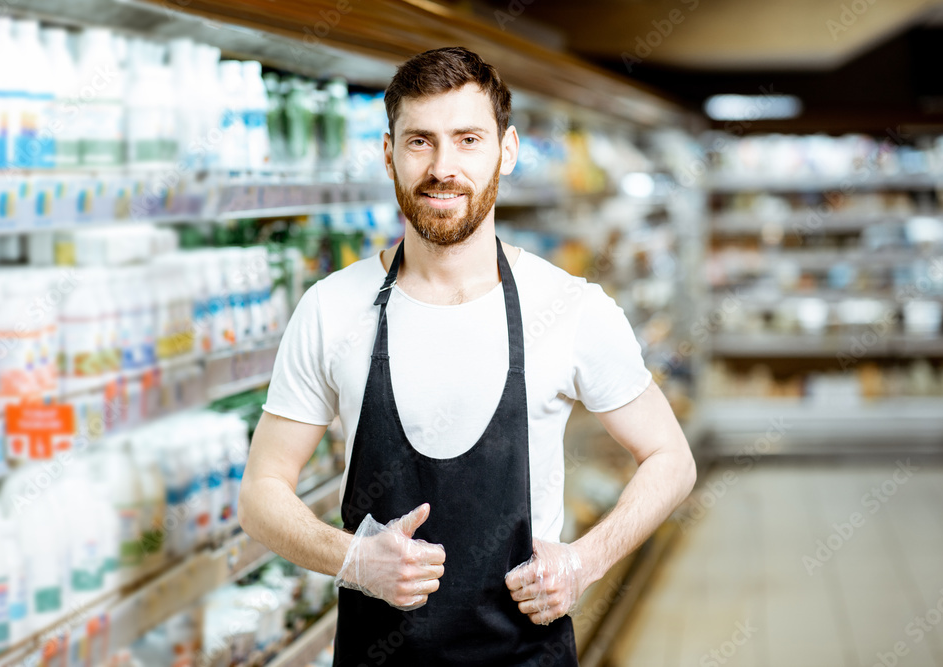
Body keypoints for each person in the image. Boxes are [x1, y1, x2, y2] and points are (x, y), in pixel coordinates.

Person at [238, 46, 696, 666]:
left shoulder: (568, 306)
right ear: (389, 153)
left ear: (505, 150)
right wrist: (352, 560)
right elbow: (261, 493)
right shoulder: (331, 308)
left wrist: (585, 561)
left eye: (468, 139)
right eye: (420, 141)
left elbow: (670, 458)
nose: (442, 166)